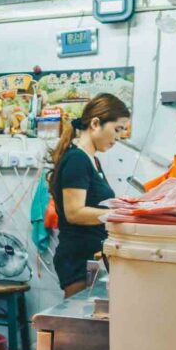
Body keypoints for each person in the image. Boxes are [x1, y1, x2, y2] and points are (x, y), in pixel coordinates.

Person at [48, 93, 131, 297]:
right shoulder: (77, 159)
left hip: (90, 255)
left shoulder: (92, 160)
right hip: (78, 259)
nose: (118, 137)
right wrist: (116, 213)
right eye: (117, 129)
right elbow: (74, 213)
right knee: (78, 324)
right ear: (95, 123)